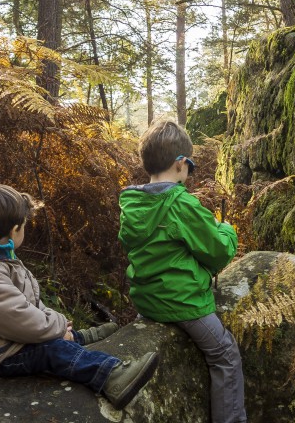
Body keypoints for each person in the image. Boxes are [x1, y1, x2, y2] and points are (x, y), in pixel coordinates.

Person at [0, 183, 159, 410]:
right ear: (14, 230)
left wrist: (53, 321)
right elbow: (23, 321)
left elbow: (24, 301)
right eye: (24, 225)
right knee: (50, 351)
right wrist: (56, 325)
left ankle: (73, 337)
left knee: (51, 336)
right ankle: (112, 375)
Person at [118, 120, 246, 423]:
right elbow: (217, 253)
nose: (190, 169)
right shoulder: (180, 204)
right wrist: (227, 231)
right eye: (190, 163)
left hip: (147, 302)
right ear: (179, 164)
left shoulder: (131, 202)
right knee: (225, 355)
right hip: (183, 303)